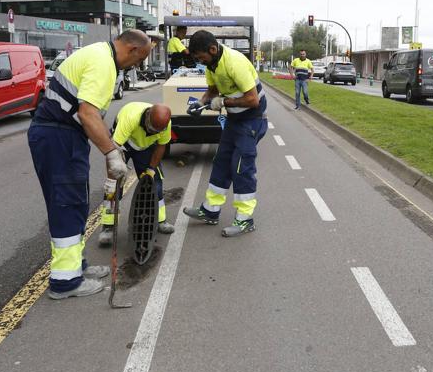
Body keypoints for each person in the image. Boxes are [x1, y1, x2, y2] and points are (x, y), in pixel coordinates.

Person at [28, 30, 152, 300]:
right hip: (59, 136)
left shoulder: (99, 54)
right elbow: (87, 114)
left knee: (76, 202)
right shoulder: (103, 64)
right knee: (67, 204)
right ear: (131, 49)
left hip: (63, 136)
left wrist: (112, 145)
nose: (136, 66)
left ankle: (76, 267)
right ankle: (65, 282)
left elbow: (89, 113)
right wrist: (111, 153)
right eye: (139, 60)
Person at [182, 30, 268, 237]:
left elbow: (252, 100)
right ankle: (210, 211)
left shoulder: (234, 62)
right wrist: (200, 103)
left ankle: (245, 219)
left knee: (241, 167)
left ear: (213, 49)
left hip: (252, 120)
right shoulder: (211, 65)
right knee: (221, 161)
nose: (201, 62)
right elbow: (212, 90)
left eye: (201, 57)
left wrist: (224, 102)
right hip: (234, 120)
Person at [98, 102, 175, 246]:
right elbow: (112, 151)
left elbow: (161, 146)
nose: (153, 132)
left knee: (156, 182)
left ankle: (160, 220)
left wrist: (151, 170)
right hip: (122, 146)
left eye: (156, 131)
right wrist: (111, 178)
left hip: (145, 147)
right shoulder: (130, 118)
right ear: (147, 117)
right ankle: (108, 227)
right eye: (151, 129)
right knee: (114, 185)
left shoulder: (165, 124)